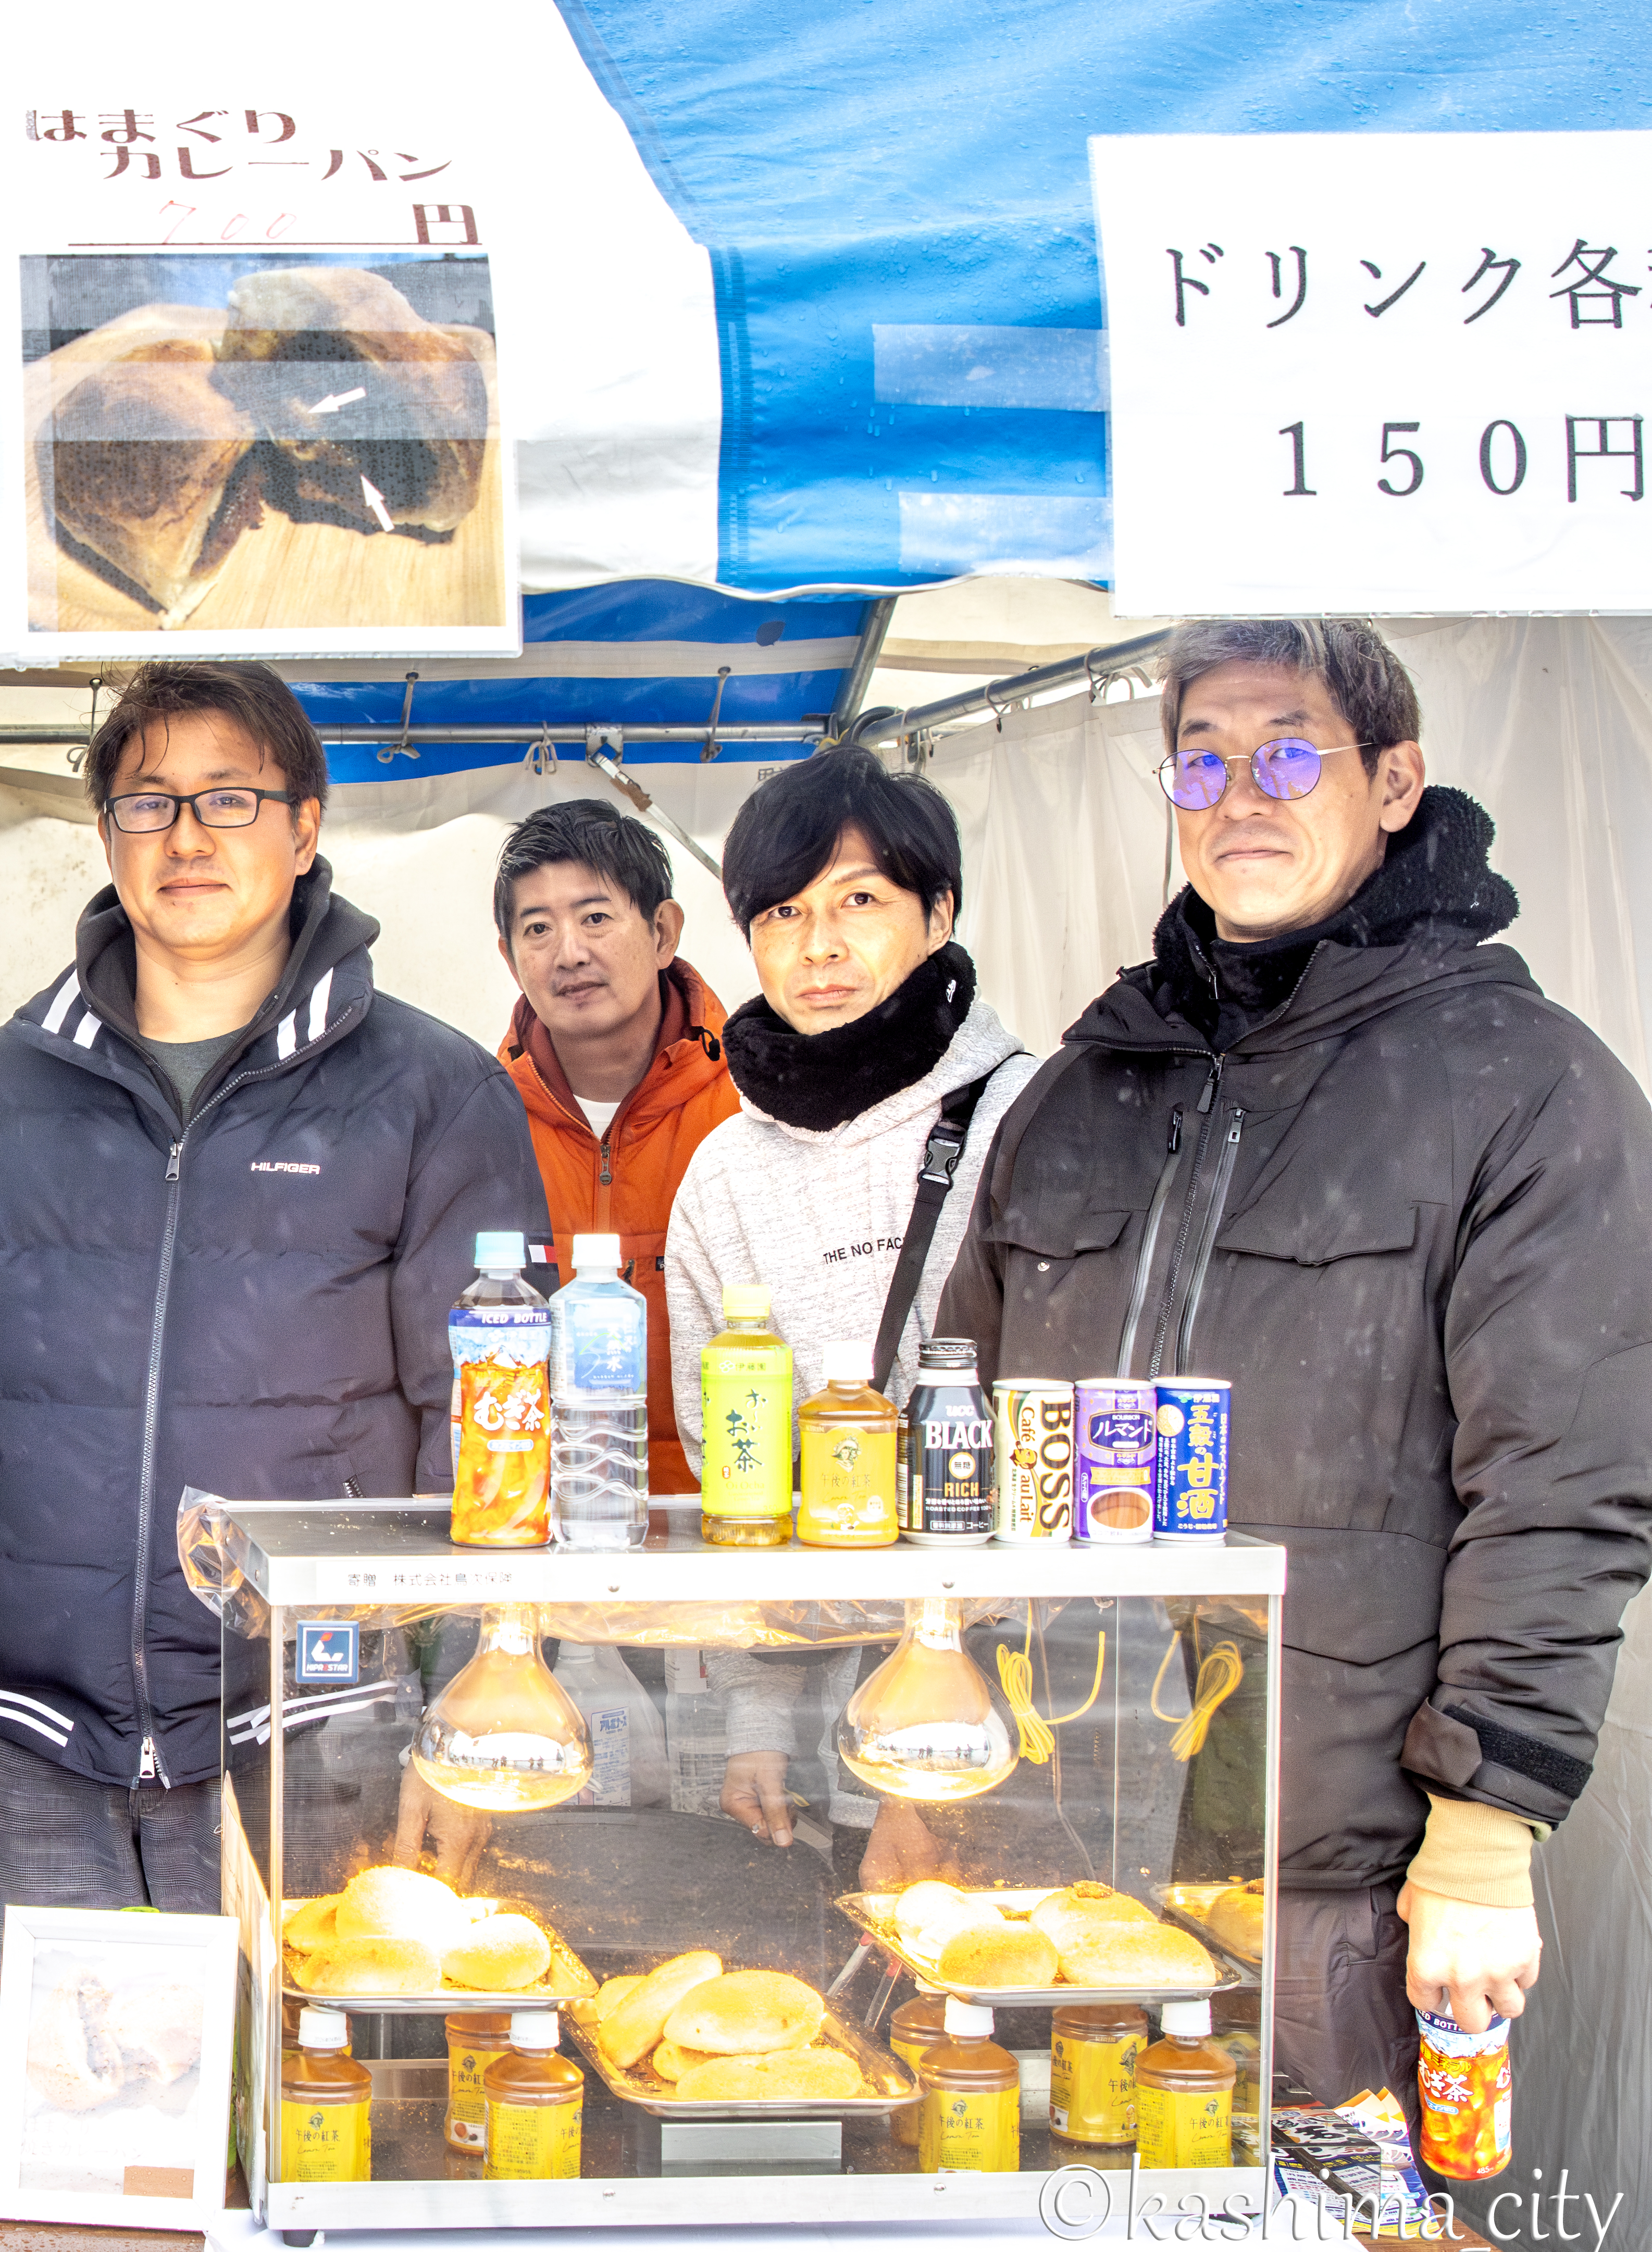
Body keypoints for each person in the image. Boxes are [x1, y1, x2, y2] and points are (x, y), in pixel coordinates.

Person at [938, 618, 1652, 2114]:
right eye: (1198, 757)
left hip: (1330, 1875)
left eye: (1284, 752)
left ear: (1393, 781)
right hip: (1043, 1845)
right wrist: (925, 1742)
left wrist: (1480, 1830)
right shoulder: (1081, 1088)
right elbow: (960, 1416)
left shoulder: (1522, 1083)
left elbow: (1563, 1488)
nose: (1235, 794)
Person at [0, 660, 545, 2032]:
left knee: (312, 2118)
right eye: (146, 801)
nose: (187, 836)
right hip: (24, 1737)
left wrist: (480, 1681)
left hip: (312, 1729)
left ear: (307, 824)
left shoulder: (427, 1089)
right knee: (64, 2155)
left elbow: (482, 1415)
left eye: (229, 796)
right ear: (103, 837)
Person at [662, 746, 1035, 1878]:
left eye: (859, 902)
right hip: (824, 1726)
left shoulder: (1038, 1119)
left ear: (940, 913)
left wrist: (941, 1748)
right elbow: (734, 1472)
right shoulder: (725, 1171)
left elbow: (1059, 1449)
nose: (818, 947)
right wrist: (759, 1722)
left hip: (1031, 1723)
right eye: (782, 912)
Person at [492, 796, 741, 1494]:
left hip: (728, 1532)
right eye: (537, 929)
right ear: (510, 960)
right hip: (524, 1530)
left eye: (595, 918)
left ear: (663, 932)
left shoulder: (754, 1109)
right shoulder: (471, 1122)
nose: (568, 953)